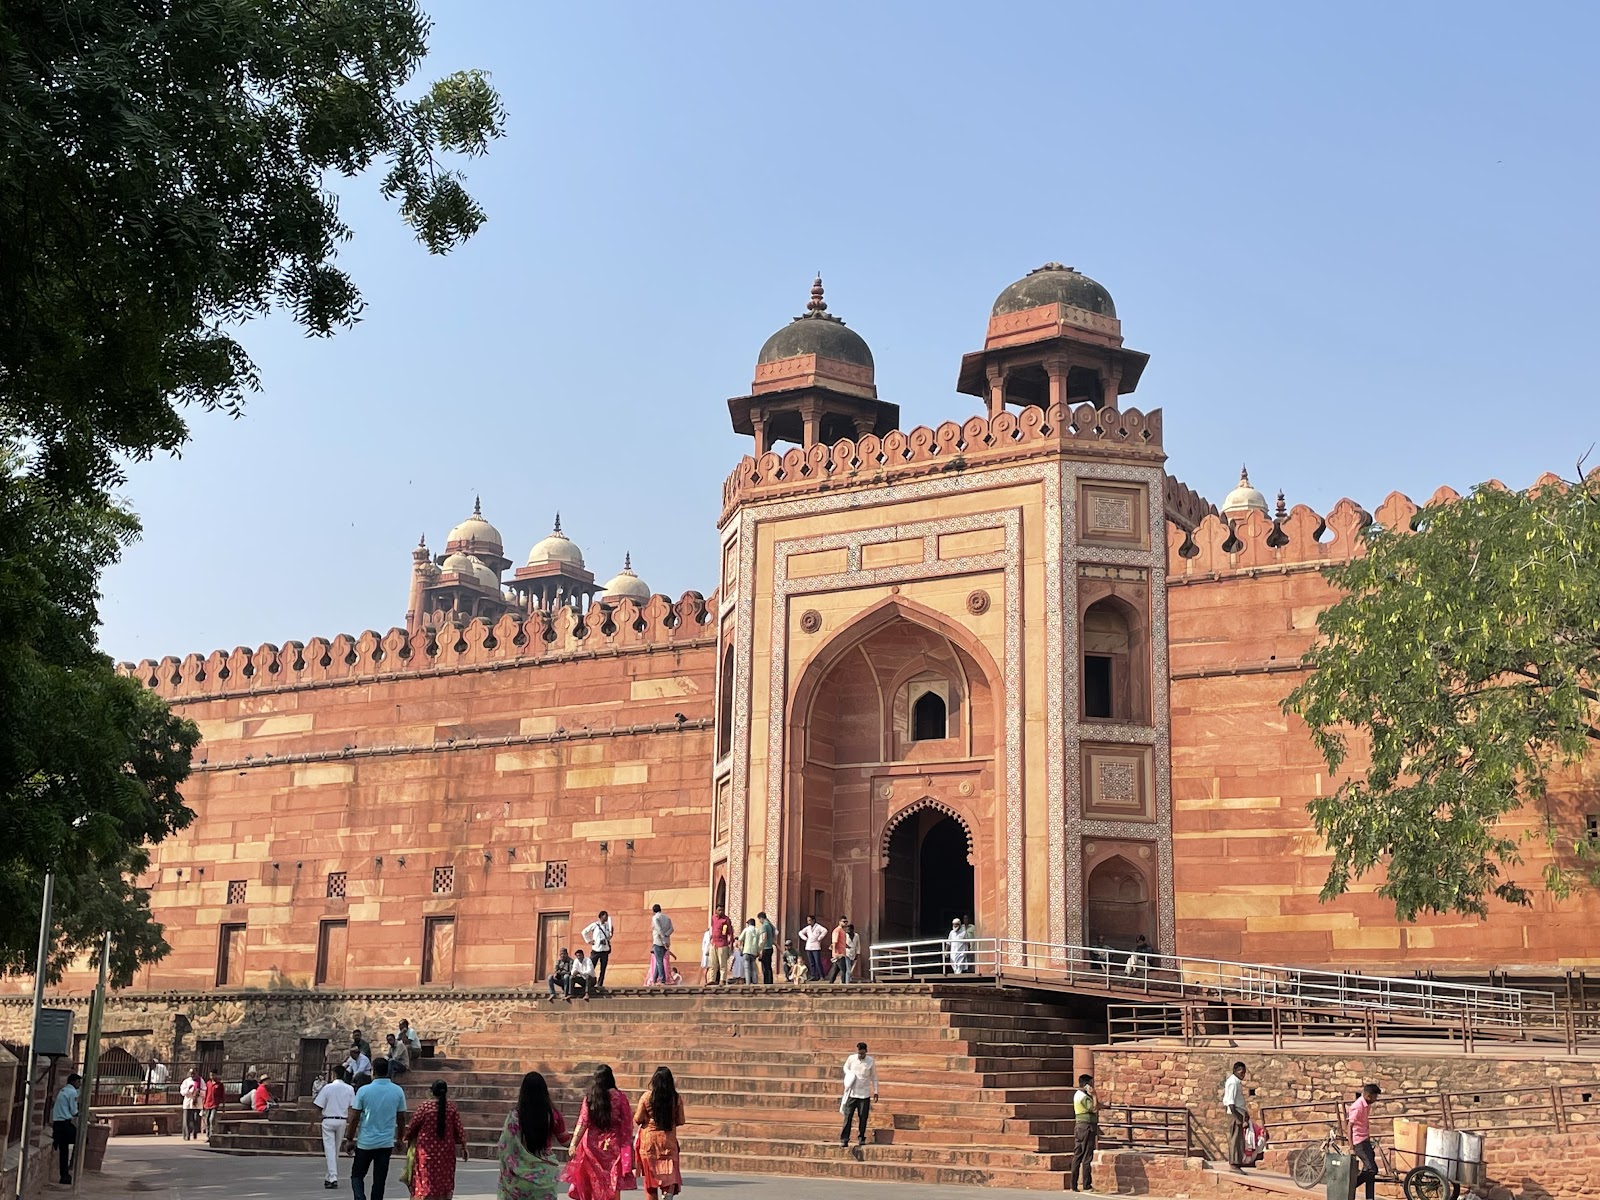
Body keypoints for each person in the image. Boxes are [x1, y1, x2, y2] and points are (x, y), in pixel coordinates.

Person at [561, 1064, 635, 1200]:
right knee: (612, 1183)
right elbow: (627, 1126)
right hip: (613, 1146)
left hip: (591, 1145)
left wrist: (573, 1144)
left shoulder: (590, 1097)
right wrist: (627, 1149)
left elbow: (582, 1122)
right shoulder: (620, 1098)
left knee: (592, 1181)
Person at [495, 1070, 567, 1200]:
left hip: (518, 1177)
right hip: (545, 1177)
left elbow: (504, 1147)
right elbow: (565, 1140)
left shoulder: (514, 1116)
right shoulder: (553, 1115)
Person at [346, 1056, 408, 1200]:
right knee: (379, 1180)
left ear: (373, 1071)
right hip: (385, 1142)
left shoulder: (363, 1090)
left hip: (365, 1142)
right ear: (387, 1071)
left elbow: (355, 1117)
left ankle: (360, 1198)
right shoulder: (397, 1091)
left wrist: (349, 1138)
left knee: (357, 1175)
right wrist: (400, 1138)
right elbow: (401, 1118)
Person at [405, 1078, 468, 1199]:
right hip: (446, 1153)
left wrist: (406, 1137)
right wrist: (464, 1146)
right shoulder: (452, 1108)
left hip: (426, 1151)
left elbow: (413, 1125)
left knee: (425, 1180)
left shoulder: (425, 1107)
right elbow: (459, 1129)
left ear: (431, 1092)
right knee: (444, 1179)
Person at [634, 1066, 685, 1200]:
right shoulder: (675, 1098)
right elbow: (681, 1120)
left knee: (650, 1182)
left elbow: (638, 1119)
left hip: (649, 1141)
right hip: (668, 1140)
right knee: (669, 1172)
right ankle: (667, 1193)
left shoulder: (646, 1097)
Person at [314, 1065, 357, 1190]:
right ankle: (329, 1176)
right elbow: (352, 1107)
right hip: (341, 1120)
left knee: (329, 1149)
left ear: (334, 1074)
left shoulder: (327, 1088)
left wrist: (313, 1121)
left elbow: (319, 1105)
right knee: (335, 1149)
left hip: (328, 1119)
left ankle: (333, 1177)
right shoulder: (349, 1089)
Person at [839, 1042, 879, 1149]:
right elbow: (845, 1068)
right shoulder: (851, 1059)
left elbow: (874, 1077)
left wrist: (875, 1091)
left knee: (863, 1118)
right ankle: (844, 1139)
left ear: (866, 1051)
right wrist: (850, 1074)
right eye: (859, 1054)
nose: (861, 1056)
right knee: (848, 1117)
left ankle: (861, 1137)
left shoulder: (870, 1061)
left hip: (864, 1094)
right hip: (852, 1093)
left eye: (863, 1054)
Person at [1348, 1083, 1382, 1200]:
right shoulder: (1358, 1107)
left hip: (1365, 1141)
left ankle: (1369, 1198)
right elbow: (1349, 1125)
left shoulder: (1366, 1105)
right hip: (1358, 1142)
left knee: (1369, 1171)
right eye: (1374, 1096)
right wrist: (1351, 1146)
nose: (1375, 1099)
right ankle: (1349, 1187)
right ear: (1368, 1095)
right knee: (1372, 1169)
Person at [51, 1072, 81, 1185]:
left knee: (63, 1150)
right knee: (82, 1139)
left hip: (58, 1124)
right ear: (73, 1082)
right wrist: (79, 1113)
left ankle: (65, 1175)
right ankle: (73, 1167)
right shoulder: (72, 1092)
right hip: (64, 1124)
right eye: (78, 1082)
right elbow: (74, 1110)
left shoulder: (63, 1090)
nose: (79, 1084)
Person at [1070, 1073, 1098, 1192]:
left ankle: (1073, 1184)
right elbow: (1094, 1108)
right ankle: (1087, 1184)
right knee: (1087, 1156)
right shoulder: (1085, 1097)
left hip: (1079, 1126)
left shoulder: (1077, 1095)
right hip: (1087, 1127)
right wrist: (1095, 1095)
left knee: (1077, 1155)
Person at [1223, 1061, 1249, 1170]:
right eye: (1241, 1072)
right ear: (1235, 1071)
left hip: (1238, 1113)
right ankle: (1234, 1164)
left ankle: (1237, 1162)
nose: (1243, 1075)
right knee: (1235, 1139)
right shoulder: (1232, 1082)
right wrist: (1237, 1118)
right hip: (1235, 1114)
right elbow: (1230, 1102)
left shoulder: (1236, 1082)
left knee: (1239, 1140)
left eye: (1244, 1073)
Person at [582, 911, 614, 990]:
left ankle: (600, 984)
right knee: (591, 966)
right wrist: (589, 941)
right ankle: (589, 983)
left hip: (605, 950)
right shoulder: (595, 925)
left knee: (603, 968)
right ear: (601, 916)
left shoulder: (608, 926)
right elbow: (584, 932)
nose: (606, 918)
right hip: (596, 949)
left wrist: (611, 933)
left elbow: (609, 937)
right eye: (605, 916)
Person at [708, 906, 736, 985]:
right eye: (719, 910)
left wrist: (731, 943)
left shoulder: (726, 920)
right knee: (713, 964)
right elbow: (712, 929)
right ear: (716, 910)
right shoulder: (713, 918)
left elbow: (730, 932)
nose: (721, 912)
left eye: (722, 910)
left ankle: (722, 980)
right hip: (714, 943)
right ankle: (712, 979)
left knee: (722, 964)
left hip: (722, 944)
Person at [799, 915, 828, 983]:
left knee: (817, 961)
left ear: (813, 920)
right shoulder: (808, 928)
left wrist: (820, 937)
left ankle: (821, 975)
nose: (808, 922)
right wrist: (805, 938)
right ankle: (813, 975)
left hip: (816, 945)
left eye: (809, 920)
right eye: (808, 920)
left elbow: (825, 931)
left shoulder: (818, 926)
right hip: (809, 946)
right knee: (811, 962)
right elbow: (800, 932)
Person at [649, 904, 673, 987]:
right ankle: (654, 979)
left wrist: (663, 939)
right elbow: (671, 929)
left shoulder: (655, 917)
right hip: (666, 942)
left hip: (658, 942)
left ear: (653, 911)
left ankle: (662, 980)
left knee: (659, 961)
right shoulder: (667, 918)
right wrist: (666, 935)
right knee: (658, 962)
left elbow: (659, 929)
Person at [181, 1067, 204, 1139]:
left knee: (196, 1119)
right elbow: (182, 1092)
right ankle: (187, 1134)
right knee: (186, 1120)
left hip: (196, 1103)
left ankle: (195, 1132)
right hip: (188, 1103)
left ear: (196, 1073)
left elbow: (204, 1092)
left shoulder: (200, 1081)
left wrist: (198, 1092)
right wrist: (189, 1090)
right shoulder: (186, 1081)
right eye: (191, 1074)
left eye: (194, 1073)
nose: (192, 1075)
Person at [738, 918, 761, 984]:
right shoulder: (758, 931)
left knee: (747, 968)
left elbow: (740, 940)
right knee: (753, 968)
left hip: (746, 951)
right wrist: (758, 951)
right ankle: (755, 982)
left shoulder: (746, 930)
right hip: (754, 952)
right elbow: (760, 942)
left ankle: (748, 983)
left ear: (749, 924)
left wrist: (741, 949)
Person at [756, 911, 777, 984]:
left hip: (766, 948)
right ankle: (770, 981)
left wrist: (760, 948)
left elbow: (764, 938)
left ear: (761, 918)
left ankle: (766, 982)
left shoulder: (765, 926)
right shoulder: (770, 926)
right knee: (768, 966)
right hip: (770, 948)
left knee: (765, 967)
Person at [202, 1069, 224, 1138]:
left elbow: (222, 1095)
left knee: (212, 1119)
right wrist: (204, 1103)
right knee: (207, 1120)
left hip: (215, 1104)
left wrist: (223, 1105)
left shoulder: (219, 1084)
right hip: (207, 1103)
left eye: (213, 1075)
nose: (212, 1076)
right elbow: (206, 1094)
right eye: (211, 1075)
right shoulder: (208, 1083)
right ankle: (208, 1135)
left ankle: (212, 1135)